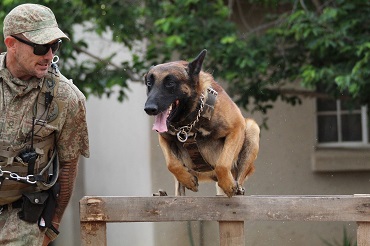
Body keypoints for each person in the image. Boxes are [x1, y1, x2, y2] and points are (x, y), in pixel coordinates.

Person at [0, 3, 89, 245]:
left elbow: (69, 168)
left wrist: (52, 227)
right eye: (41, 47)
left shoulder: (68, 98)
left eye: (54, 46)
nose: (49, 55)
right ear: (11, 44)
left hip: (24, 214)